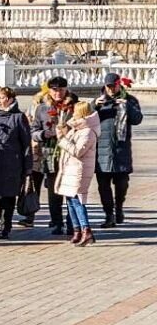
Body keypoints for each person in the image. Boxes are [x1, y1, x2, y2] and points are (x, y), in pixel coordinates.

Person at [30, 75, 79, 235]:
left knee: (72, 190)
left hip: (70, 153)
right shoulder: (42, 108)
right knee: (54, 191)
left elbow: (85, 126)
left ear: (66, 89)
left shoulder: (75, 106)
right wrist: (44, 134)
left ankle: (73, 222)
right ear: (49, 90)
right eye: (54, 89)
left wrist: (70, 132)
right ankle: (57, 222)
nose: (58, 92)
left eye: (61, 89)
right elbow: (34, 130)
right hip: (50, 154)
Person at [93, 72, 144, 227]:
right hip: (102, 149)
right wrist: (94, 105)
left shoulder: (130, 100)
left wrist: (126, 106)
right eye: (108, 87)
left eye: (113, 86)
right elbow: (85, 118)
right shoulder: (99, 101)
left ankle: (119, 207)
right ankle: (109, 215)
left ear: (118, 84)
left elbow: (137, 120)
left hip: (121, 150)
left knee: (122, 184)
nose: (110, 90)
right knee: (103, 186)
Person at [0, 86, 32, 239]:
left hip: (12, 163)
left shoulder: (18, 117)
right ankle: (2, 221)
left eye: (3, 97)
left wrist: (27, 166)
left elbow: (26, 143)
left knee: (9, 195)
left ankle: (6, 226)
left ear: (10, 99)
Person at [55, 101, 101, 246]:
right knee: (69, 200)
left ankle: (86, 230)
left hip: (79, 170)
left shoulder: (88, 131)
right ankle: (77, 230)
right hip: (70, 169)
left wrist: (62, 140)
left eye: (75, 111)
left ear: (81, 113)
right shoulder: (77, 129)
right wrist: (62, 133)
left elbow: (78, 151)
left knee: (77, 200)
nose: (73, 113)